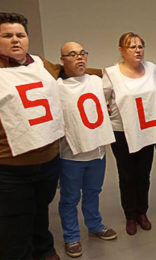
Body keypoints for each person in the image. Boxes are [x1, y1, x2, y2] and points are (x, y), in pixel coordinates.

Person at [0, 12, 64, 260]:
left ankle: (44, 247)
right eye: (7, 35)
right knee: (13, 223)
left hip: (48, 160)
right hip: (10, 167)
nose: (16, 40)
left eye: (20, 35)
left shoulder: (41, 64)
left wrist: (113, 74)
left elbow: (69, 70)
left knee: (40, 210)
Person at [57, 41, 117, 257]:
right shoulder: (57, 87)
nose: (79, 57)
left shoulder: (97, 81)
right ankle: (71, 236)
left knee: (93, 192)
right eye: (72, 54)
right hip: (71, 154)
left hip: (98, 151)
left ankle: (95, 225)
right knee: (70, 197)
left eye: (82, 53)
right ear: (62, 60)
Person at [103, 32, 156, 235]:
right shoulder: (111, 73)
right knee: (127, 175)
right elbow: (103, 101)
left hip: (147, 130)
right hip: (121, 132)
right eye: (132, 47)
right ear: (122, 50)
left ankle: (142, 212)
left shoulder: (152, 69)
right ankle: (130, 215)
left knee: (144, 174)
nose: (138, 50)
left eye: (140, 46)